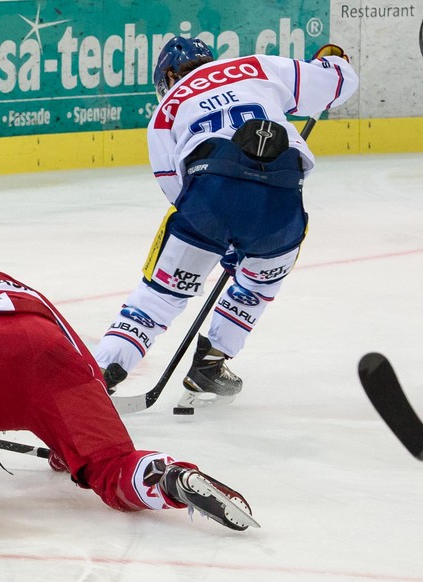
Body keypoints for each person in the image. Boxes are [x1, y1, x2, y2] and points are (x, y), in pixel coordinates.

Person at [0, 233, 258, 531]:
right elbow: (78, 359)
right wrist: (74, 446)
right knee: (109, 466)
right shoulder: (21, 287)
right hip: (46, 354)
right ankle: (166, 477)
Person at [94, 38, 358, 407]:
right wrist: (334, 63)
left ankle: (101, 373)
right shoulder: (256, 66)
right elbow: (339, 84)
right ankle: (211, 364)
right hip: (281, 202)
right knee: (254, 289)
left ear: (168, 75)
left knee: (159, 298)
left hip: (209, 196)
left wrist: (218, 234)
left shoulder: (165, 110)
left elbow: (174, 184)